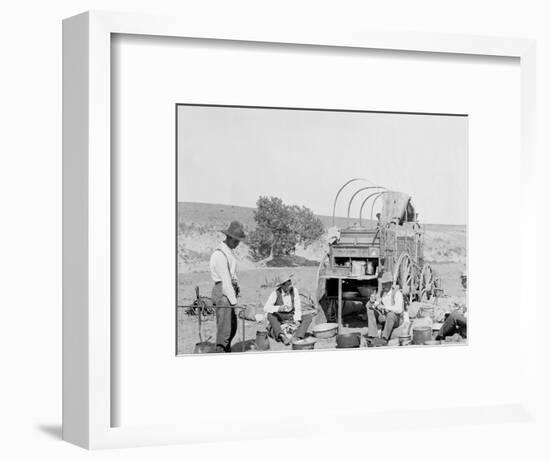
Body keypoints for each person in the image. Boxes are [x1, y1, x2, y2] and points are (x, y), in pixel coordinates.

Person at [209, 221, 246, 352]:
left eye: (239, 241)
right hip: (223, 293)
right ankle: (221, 351)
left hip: (229, 292)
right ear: (229, 237)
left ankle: (226, 349)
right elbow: (225, 282)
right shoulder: (219, 254)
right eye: (236, 241)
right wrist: (235, 304)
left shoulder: (228, 252)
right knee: (225, 329)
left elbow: (232, 275)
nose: (237, 244)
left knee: (232, 327)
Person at [263, 275, 313, 345]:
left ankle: (297, 337)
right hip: (280, 317)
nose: (290, 286)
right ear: (282, 286)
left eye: (290, 284)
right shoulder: (275, 293)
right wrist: (278, 308)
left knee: (309, 316)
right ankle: (282, 335)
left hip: (291, 316)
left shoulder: (294, 291)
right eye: (287, 285)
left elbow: (297, 306)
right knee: (269, 315)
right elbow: (266, 308)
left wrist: (297, 319)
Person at [375, 272, 404, 343]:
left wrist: (386, 307)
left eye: (386, 284)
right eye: (383, 284)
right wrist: (377, 305)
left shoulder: (397, 293)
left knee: (391, 315)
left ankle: (385, 338)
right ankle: (375, 334)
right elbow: (378, 302)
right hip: (386, 316)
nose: (384, 286)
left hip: (397, 319)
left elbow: (399, 309)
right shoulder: (382, 293)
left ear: (391, 284)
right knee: (373, 311)